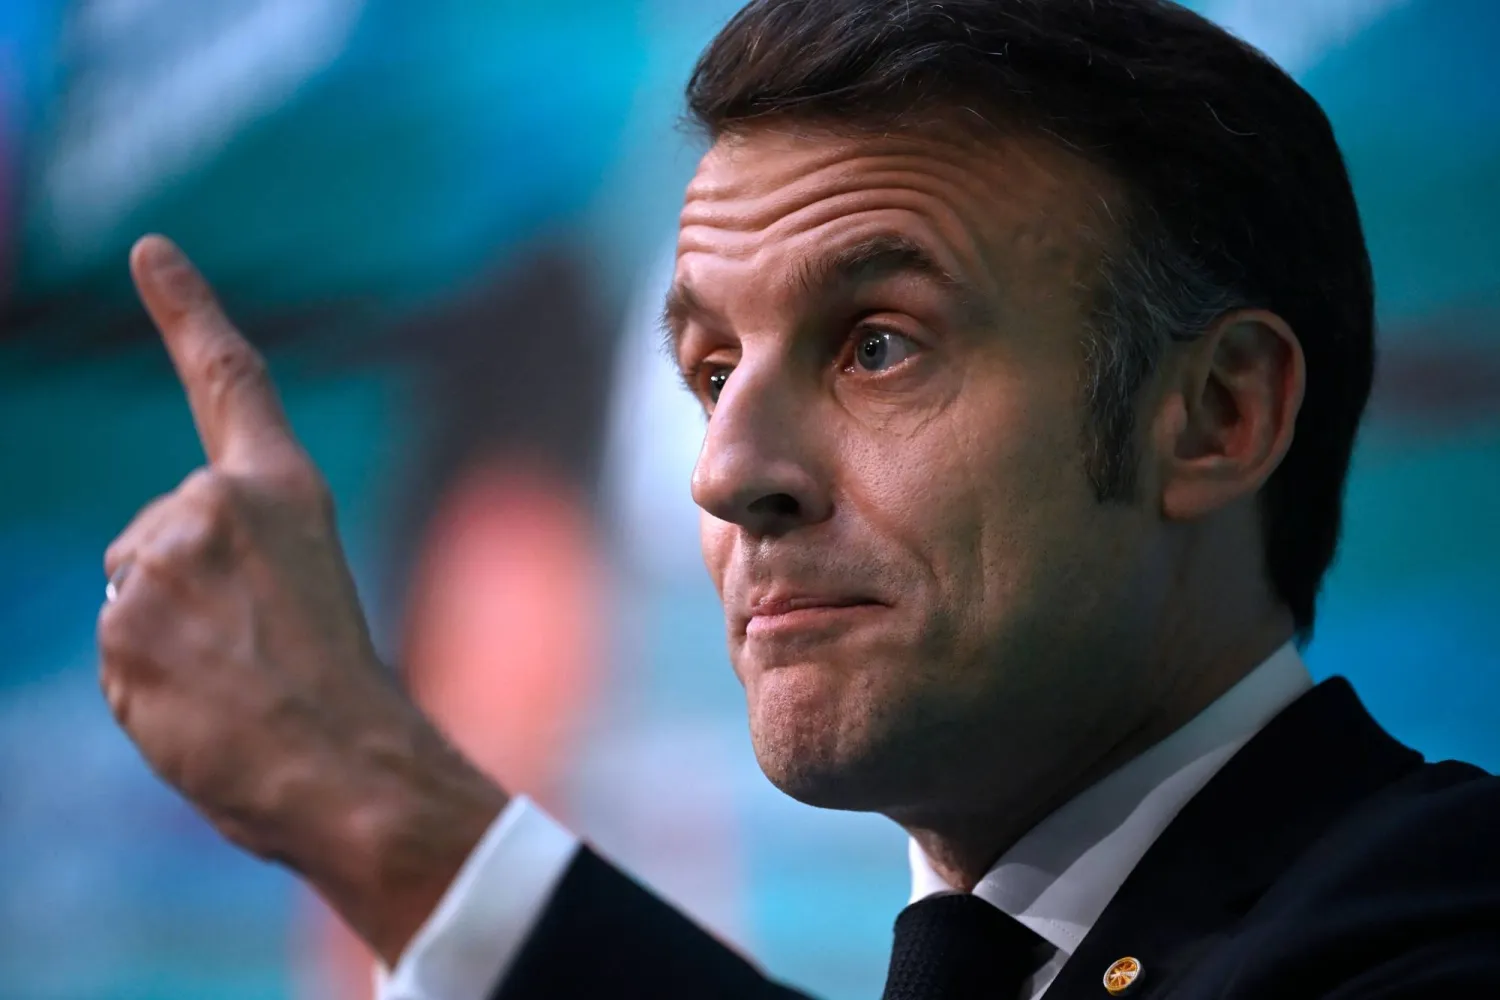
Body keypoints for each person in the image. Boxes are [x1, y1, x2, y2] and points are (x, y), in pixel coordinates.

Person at [94, 1, 1500, 998]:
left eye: (877, 344)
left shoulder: (1449, 921)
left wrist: (385, 816)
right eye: (709, 370)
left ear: (1218, 415)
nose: (727, 472)